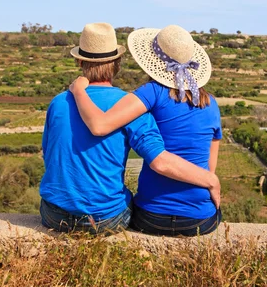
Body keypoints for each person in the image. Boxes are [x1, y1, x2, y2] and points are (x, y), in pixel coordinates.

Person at [40, 23, 220, 235]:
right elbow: (199, 165)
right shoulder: (208, 104)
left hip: (55, 215)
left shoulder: (58, 102)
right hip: (117, 219)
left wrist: (78, 91)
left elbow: (49, 154)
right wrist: (210, 180)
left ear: (79, 61)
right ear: (117, 63)